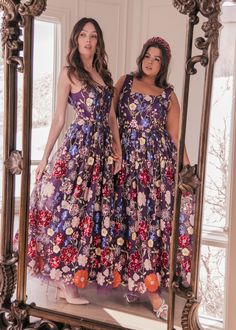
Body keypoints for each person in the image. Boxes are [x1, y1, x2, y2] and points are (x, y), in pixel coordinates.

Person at [27, 17, 122, 305]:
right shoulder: (69, 72)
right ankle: (66, 283)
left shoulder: (105, 75)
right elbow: (58, 119)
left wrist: (117, 151)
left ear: (98, 41)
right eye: (83, 35)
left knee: (90, 214)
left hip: (102, 152)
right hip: (78, 150)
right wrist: (44, 158)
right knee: (71, 213)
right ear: (76, 39)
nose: (88, 40)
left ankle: (66, 281)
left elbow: (112, 119)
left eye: (93, 35)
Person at [113, 36, 194, 320]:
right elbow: (110, 118)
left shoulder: (168, 95)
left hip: (156, 170)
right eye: (148, 55)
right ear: (142, 56)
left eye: (157, 58)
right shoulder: (124, 82)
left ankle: (152, 291)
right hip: (127, 165)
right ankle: (139, 283)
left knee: (148, 227)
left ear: (163, 64)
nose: (150, 61)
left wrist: (188, 170)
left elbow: (175, 136)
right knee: (130, 225)